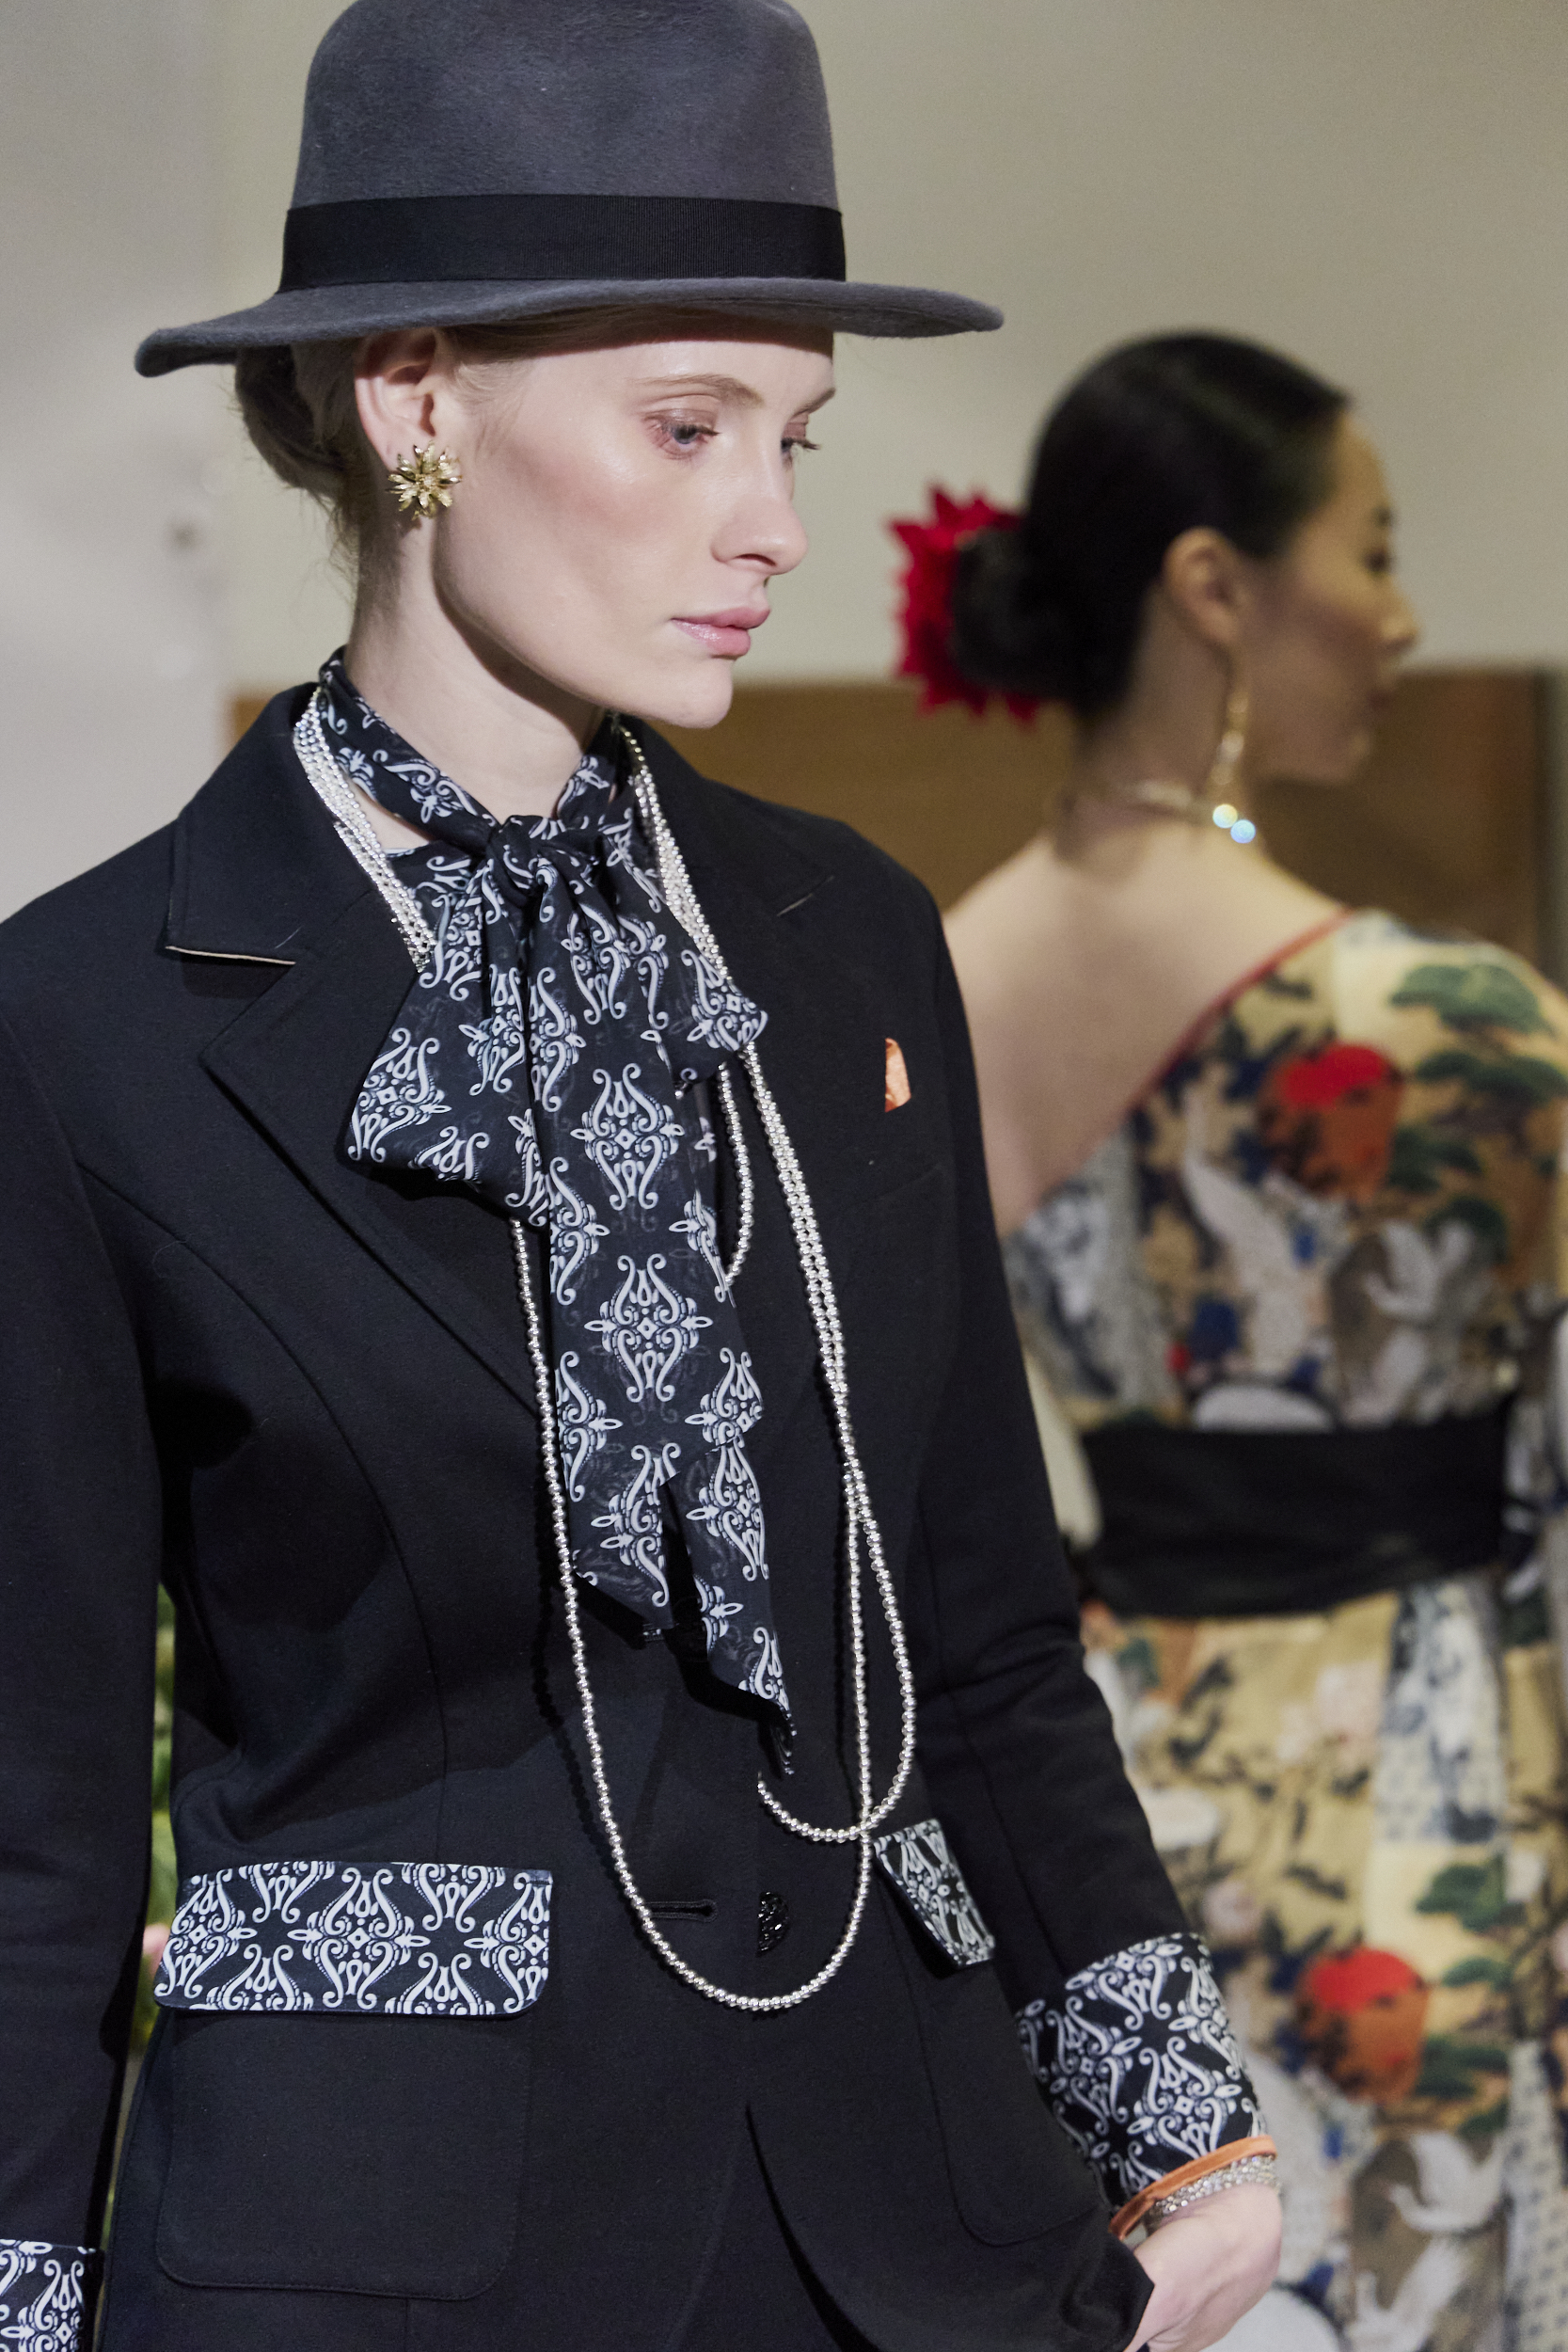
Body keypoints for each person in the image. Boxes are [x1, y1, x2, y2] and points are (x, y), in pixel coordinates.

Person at [0, 16, 1281, 2352]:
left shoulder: (846, 933)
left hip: (916, 2224)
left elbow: (979, 1618)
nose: (773, 522)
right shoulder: (82, 1021)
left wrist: (1184, 2124)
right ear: (412, 397)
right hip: (371, 2260)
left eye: (796, 435)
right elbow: (36, 1800)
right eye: (689, 426)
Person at [934, 331, 1568, 2347]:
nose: (1401, 618)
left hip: (1101, 1823)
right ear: (1215, 586)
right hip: (1418, 1794)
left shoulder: (923, 990)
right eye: (1371, 551)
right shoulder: (1444, 1028)